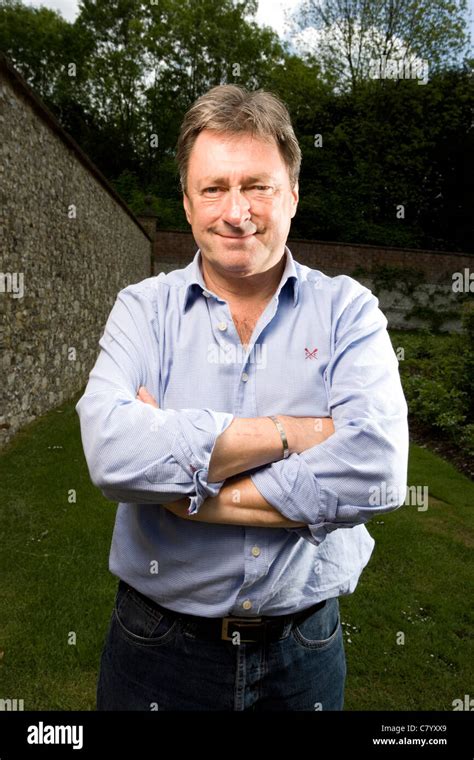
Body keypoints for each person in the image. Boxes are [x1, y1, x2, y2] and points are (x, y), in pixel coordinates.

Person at [76, 84, 408, 711]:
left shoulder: (349, 311)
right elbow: (112, 455)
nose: (236, 211)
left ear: (292, 194)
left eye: (257, 185)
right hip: (157, 650)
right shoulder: (141, 310)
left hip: (303, 651)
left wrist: (192, 493)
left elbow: (379, 470)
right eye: (214, 188)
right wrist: (295, 431)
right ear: (187, 201)